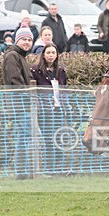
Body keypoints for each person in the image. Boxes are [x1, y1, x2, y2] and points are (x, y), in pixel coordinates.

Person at [30, 43, 68, 175]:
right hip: (45, 111)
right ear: (43, 55)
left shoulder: (61, 71)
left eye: (53, 53)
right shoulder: (35, 70)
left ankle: (59, 167)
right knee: (48, 139)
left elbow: (64, 89)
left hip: (59, 110)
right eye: (48, 53)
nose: (51, 55)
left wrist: (66, 107)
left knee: (59, 139)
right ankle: (49, 168)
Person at [2, 27, 34, 180]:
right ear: (17, 40)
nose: (27, 42)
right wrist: (29, 95)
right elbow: (15, 81)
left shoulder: (21, 56)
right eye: (24, 39)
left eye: (29, 40)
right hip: (20, 104)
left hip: (24, 104)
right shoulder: (12, 56)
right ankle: (29, 170)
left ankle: (21, 172)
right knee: (31, 135)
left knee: (22, 138)